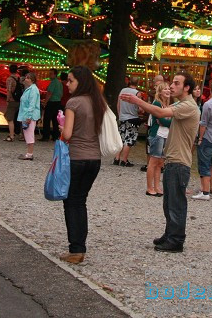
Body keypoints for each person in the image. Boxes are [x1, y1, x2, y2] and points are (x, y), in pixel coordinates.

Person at [121, 72, 200, 252]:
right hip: (172, 159)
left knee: (176, 203)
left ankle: (176, 240)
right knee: (169, 202)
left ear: (186, 87)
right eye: (172, 82)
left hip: (179, 161)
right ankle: (170, 234)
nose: (172, 86)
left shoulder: (188, 105)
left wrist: (137, 102)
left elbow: (160, 112)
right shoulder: (181, 103)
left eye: (176, 83)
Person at [58, 65, 105, 264]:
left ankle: (76, 249)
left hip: (76, 157)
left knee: (71, 202)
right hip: (94, 158)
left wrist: (61, 127)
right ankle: (79, 247)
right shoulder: (98, 102)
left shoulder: (74, 103)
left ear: (80, 82)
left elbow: (67, 134)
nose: (67, 84)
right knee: (80, 200)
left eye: (70, 80)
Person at [146, 83, 171, 197]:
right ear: (160, 92)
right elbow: (163, 120)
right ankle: (149, 187)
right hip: (157, 134)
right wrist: (168, 122)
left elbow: (168, 122)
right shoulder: (157, 103)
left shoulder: (168, 105)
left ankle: (157, 186)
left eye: (168, 89)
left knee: (160, 163)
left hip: (166, 135)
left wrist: (168, 122)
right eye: (165, 89)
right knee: (153, 161)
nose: (167, 90)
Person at [113, 76, 141, 167]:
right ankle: (124, 160)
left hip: (122, 117)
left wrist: (120, 114)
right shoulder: (137, 93)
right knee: (129, 139)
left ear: (129, 82)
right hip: (132, 118)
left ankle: (117, 158)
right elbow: (140, 108)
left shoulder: (122, 90)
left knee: (121, 137)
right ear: (138, 83)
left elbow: (118, 104)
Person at [17, 72, 41, 159]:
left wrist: (29, 116)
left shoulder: (33, 90)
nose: (25, 79)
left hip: (29, 115)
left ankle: (30, 153)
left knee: (29, 133)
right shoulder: (30, 89)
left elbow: (32, 104)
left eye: (27, 78)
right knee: (28, 133)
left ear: (32, 80)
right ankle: (29, 152)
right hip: (26, 114)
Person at [41, 69, 63, 141]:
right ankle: (55, 136)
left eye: (51, 74)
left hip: (52, 102)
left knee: (47, 119)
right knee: (55, 120)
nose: (49, 75)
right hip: (58, 102)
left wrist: (45, 102)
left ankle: (46, 136)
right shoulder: (59, 83)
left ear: (55, 74)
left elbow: (49, 93)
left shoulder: (53, 82)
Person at [3, 69, 24, 142]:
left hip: (12, 100)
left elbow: (9, 90)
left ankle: (11, 135)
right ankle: (22, 134)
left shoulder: (9, 79)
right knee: (20, 118)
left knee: (9, 118)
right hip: (19, 100)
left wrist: (8, 99)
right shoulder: (19, 79)